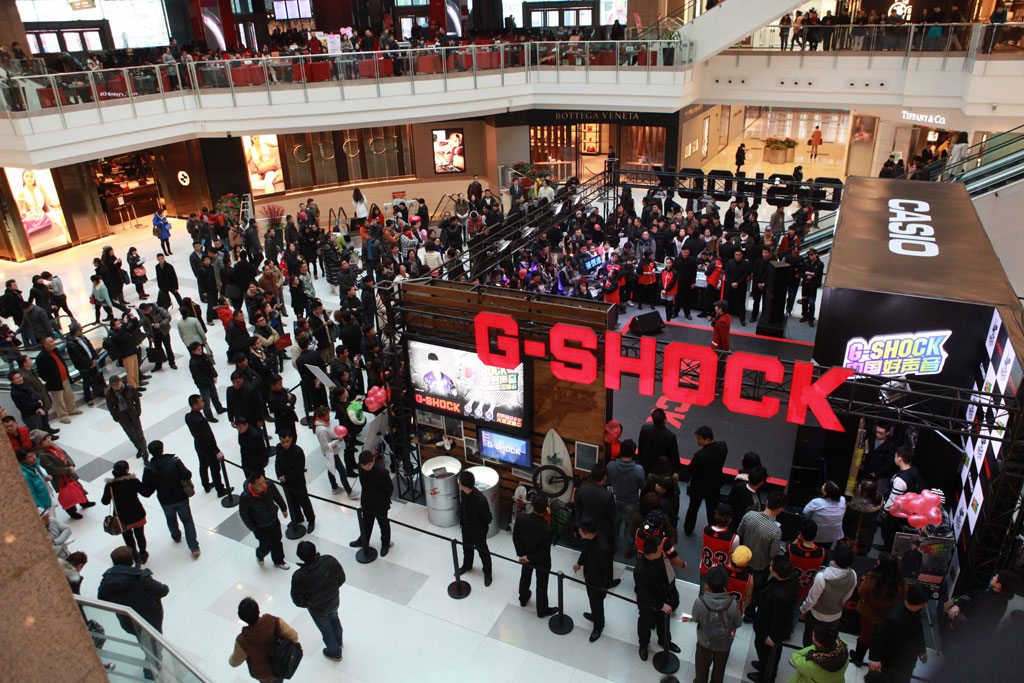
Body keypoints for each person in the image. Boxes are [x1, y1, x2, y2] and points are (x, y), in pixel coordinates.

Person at [97, 546, 169, 679]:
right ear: (131, 561)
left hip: (128, 620)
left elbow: (102, 599)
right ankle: (151, 669)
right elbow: (163, 590)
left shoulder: (107, 580)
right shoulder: (141, 578)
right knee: (154, 643)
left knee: (142, 639)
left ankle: (149, 656)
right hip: (149, 619)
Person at [142, 440, 200, 558]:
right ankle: (193, 547)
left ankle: (176, 536)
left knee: (171, 519)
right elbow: (187, 475)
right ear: (162, 449)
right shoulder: (174, 462)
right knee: (187, 521)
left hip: (165, 500)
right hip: (180, 496)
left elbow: (147, 488)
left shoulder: (149, 468)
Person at [290, 541, 346, 662]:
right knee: (335, 618)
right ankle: (339, 641)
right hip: (334, 600)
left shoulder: (299, 576)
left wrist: (308, 603)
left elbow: (297, 600)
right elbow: (341, 578)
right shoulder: (329, 561)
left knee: (326, 629)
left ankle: (335, 652)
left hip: (317, 608)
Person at [747, 554, 799, 682]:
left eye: (771, 565)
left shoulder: (782, 597)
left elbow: (781, 619)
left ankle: (766, 675)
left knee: (767, 652)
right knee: (762, 649)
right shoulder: (789, 575)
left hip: (769, 629)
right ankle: (763, 665)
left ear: (776, 573)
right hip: (764, 620)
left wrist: (774, 637)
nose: (770, 566)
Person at [738, 491, 787, 621]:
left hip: (743, 560)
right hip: (760, 567)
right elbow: (773, 554)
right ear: (780, 509)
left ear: (767, 502)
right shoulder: (775, 530)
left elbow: (739, 532)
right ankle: (749, 615)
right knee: (756, 591)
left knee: (741, 583)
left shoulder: (749, 515)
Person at [850, 553, 906, 667]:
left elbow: (861, 592)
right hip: (887, 615)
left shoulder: (873, 578)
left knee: (865, 637)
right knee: (881, 638)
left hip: (869, 614)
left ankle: (858, 658)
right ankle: (876, 658)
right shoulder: (900, 582)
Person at [867, 583, 930, 683]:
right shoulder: (894, 618)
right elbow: (878, 636)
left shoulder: (913, 609)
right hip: (892, 661)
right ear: (924, 604)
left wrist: (921, 649)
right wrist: (875, 659)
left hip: (908, 660)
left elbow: (918, 629)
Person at [230, 597, 301, 682]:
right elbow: (294, 637)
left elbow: (234, 662)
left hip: (263, 675)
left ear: (242, 618)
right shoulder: (274, 622)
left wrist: (230, 660)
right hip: (280, 665)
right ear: (258, 610)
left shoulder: (242, 640)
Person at [692, 565, 742, 683]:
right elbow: (738, 623)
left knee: (701, 668)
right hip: (724, 643)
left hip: (705, 642)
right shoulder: (732, 604)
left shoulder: (700, 602)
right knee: (719, 669)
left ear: (708, 585)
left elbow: (695, 619)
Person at [799, 545, 857, 646]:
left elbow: (812, 600)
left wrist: (803, 610)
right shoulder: (853, 574)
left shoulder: (822, 576)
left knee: (809, 642)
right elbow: (848, 595)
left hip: (817, 615)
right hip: (835, 616)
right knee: (828, 644)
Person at [635, 536, 680, 661]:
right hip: (647, 604)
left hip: (662, 597)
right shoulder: (640, 570)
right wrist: (660, 605)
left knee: (663, 623)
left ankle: (664, 641)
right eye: (659, 550)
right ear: (652, 553)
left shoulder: (659, 558)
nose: (662, 551)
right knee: (645, 623)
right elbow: (644, 593)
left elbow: (664, 577)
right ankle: (643, 644)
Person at [943, 568, 1021, 641]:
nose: (994, 577)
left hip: (959, 637)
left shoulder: (992, 604)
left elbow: (974, 627)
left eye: (996, 577)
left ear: (998, 585)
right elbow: (973, 594)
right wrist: (958, 606)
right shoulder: (991, 593)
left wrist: (954, 622)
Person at [32, 429, 94, 519]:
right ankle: (72, 512)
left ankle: (84, 502)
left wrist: (70, 464)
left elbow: (65, 453)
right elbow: (52, 468)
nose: (49, 440)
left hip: (68, 472)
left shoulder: (53, 446)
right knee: (67, 494)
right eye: (45, 439)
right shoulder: (41, 455)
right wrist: (68, 470)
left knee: (78, 487)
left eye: (48, 437)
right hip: (60, 478)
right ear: (39, 443)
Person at [513, 492, 556, 618]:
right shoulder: (547, 529)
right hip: (542, 560)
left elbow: (516, 537)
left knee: (525, 576)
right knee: (542, 584)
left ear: (532, 506)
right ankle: (542, 610)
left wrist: (523, 555)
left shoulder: (521, 518)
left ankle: (523, 598)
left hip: (525, 555)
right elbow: (544, 551)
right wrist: (529, 557)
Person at [102, 460, 150, 565]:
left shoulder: (110, 485)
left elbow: (104, 501)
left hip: (121, 518)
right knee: (140, 535)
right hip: (137, 514)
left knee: (128, 537)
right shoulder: (133, 481)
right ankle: (143, 554)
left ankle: (134, 556)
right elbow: (146, 493)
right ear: (127, 470)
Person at [239, 472, 290, 569]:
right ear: (253, 485)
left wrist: (283, 508)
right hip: (260, 526)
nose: (264, 485)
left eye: (264, 481)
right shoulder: (246, 497)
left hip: (273, 519)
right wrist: (253, 528)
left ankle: (279, 561)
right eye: (260, 483)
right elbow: (244, 514)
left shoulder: (269, 485)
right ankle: (260, 554)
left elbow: (277, 496)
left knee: (277, 541)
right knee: (266, 545)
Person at [573, 519, 613, 642]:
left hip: (598, 583)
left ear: (587, 532)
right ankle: (595, 615)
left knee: (597, 603)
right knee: (592, 600)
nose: (579, 532)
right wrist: (579, 563)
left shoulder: (602, 548)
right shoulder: (590, 539)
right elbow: (586, 551)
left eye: (580, 531)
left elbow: (608, 571)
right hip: (590, 576)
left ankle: (598, 625)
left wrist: (604, 587)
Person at [348, 450, 394, 555]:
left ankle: (385, 544)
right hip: (367, 500)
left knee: (383, 524)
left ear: (373, 460)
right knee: (366, 523)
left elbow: (390, 488)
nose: (367, 467)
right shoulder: (360, 467)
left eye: (369, 465)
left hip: (380, 503)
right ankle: (363, 540)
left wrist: (384, 499)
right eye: (364, 465)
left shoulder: (381, 472)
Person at [685, 425, 728, 535]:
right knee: (712, 510)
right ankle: (713, 530)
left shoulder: (699, 455)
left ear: (707, 440)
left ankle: (688, 529)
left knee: (693, 508)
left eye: (699, 439)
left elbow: (691, 470)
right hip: (714, 485)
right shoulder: (722, 447)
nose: (697, 441)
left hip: (698, 487)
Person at [878, 447, 924, 551]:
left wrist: (885, 510)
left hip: (894, 512)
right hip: (903, 511)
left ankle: (887, 551)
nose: (894, 457)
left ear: (899, 459)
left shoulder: (900, 480)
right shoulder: (913, 470)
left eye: (895, 456)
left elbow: (893, 499)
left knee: (888, 532)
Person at [607, 439, 645, 555]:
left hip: (614, 501)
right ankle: (629, 549)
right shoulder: (638, 469)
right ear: (633, 452)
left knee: (614, 525)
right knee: (630, 527)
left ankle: (612, 546)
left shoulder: (611, 466)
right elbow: (643, 486)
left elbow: (607, 482)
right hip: (631, 503)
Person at [457, 469, 494, 586]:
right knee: (467, 549)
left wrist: (481, 529)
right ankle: (467, 565)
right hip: (466, 527)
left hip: (478, 531)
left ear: (465, 485)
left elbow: (488, 518)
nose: (458, 483)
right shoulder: (464, 492)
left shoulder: (480, 500)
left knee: (483, 552)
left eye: (460, 482)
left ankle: (487, 572)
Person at [185, 394, 226, 495]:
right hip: (207, 448)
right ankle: (220, 489)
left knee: (203, 466)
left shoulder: (188, 416)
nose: (203, 402)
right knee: (215, 468)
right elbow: (209, 438)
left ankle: (206, 485)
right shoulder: (201, 421)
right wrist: (217, 451)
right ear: (195, 405)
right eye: (201, 401)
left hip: (198, 445)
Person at [275, 431, 315, 534]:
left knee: (304, 502)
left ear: (291, 439)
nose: (285, 444)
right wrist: (279, 475)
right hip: (285, 482)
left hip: (298, 483)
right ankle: (297, 518)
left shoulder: (298, 451)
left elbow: (299, 470)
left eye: (287, 441)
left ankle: (311, 520)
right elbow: (277, 463)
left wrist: (286, 477)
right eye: (283, 442)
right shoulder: (279, 448)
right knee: (291, 502)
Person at [35, 337, 81, 424]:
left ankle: (72, 409)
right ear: (45, 345)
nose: (54, 343)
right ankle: (62, 416)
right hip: (55, 382)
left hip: (65, 378)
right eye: (51, 342)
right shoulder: (42, 357)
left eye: (53, 341)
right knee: (59, 401)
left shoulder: (56, 351)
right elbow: (42, 373)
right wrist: (51, 379)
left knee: (69, 396)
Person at [574, 462, 617, 552]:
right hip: (602, 529)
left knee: (587, 548)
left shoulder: (582, 489)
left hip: (585, 526)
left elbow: (577, 507)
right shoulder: (608, 495)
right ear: (604, 477)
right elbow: (613, 515)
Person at [106, 375, 148, 462]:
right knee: (131, 435)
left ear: (121, 381)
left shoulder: (130, 388)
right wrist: (116, 417)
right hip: (122, 417)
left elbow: (137, 400)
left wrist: (138, 411)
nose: (117, 386)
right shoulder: (109, 394)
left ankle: (145, 454)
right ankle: (139, 448)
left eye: (117, 384)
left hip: (133, 414)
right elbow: (111, 407)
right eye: (114, 385)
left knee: (140, 435)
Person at [66, 322, 105, 405]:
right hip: (83, 366)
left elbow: (90, 347)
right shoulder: (70, 344)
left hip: (91, 361)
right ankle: (88, 398)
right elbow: (79, 357)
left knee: (96, 378)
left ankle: (99, 392)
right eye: (80, 329)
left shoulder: (82, 337)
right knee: (87, 381)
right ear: (76, 331)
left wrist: (95, 358)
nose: (82, 330)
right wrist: (90, 364)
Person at [9, 370, 57, 435]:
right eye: (17, 378)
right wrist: (38, 404)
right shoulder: (15, 392)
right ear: (12, 381)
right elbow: (24, 405)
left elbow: (33, 396)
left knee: (41, 430)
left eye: (20, 377)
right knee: (37, 434)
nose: (20, 379)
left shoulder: (24, 385)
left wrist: (38, 406)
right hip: (29, 415)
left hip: (36, 411)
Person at [789, 518, 826, 602]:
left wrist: (799, 538)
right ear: (816, 534)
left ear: (801, 533)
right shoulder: (822, 552)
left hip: (791, 587)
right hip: (807, 589)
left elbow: (790, 548)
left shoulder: (791, 549)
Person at [802, 481, 846, 550]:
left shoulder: (816, 502)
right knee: (825, 550)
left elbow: (805, 513)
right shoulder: (842, 500)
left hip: (816, 536)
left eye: (823, 485)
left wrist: (807, 506)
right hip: (833, 536)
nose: (822, 486)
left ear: (825, 492)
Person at [188, 342, 225, 420]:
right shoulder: (193, 362)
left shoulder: (203, 356)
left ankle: (219, 409)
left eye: (200, 349)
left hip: (210, 381)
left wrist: (214, 375)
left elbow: (210, 366)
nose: (201, 351)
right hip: (203, 385)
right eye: (198, 350)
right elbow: (199, 376)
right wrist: (211, 379)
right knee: (206, 401)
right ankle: (209, 416)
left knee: (215, 396)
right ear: (193, 351)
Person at [700, 504, 739, 578]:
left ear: (715, 516)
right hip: (721, 574)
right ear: (730, 520)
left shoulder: (705, 529)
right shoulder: (734, 538)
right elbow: (734, 557)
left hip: (705, 570)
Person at [637, 408, 679, 475]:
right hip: (660, 470)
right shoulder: (670, 436)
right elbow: (674, 456)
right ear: (665, 420)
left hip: (645, 465)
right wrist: (676, 470)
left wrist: (639, 460)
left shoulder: (645, 429)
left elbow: (640, 446)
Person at [726, 465, 766, 531]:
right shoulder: (753, 503)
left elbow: (729, 502)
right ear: (761, 482)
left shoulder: (739, 485)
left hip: (732, 523)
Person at [17, 446, 52, 511]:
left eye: (33, 454)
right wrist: (42, 510)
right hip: (43, 506)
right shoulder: (25, 474)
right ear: (23, 460)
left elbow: (39, 477)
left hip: (48, 498)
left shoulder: (34, 465)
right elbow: (32, 494)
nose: (34, 457)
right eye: (30, 457)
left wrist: (45, 477)